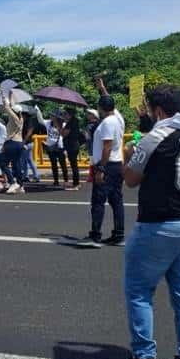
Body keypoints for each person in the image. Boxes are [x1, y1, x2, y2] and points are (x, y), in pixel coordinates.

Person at [109, 85, 180, 359]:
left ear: (159, 111)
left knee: (140, 291)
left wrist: (129, 153)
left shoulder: (157, 137)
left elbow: (130, 179)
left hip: (160, 224)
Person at [77, 84, 125, 248]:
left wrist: (101, 169)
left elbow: (107, 147)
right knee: (116, 201)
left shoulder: (107, 123)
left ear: (101, 108)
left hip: (107, 165)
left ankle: (95, 235)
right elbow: (108, 100)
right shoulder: (118, 118)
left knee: (98, 201)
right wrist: (103, 88)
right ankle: (118, 234)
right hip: (117, 164)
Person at [0, 96, 26, 194]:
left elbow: (7, 107)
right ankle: (21, 185)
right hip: (19, 143)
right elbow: (12, 107)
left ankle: (12, 182)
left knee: (3, 164)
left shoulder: (14, 118)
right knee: (16, 164)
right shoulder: (21, 118)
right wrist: (11, 95)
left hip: (12, 143)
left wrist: (4, 96)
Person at [35, 106, 67, 187]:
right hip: (50, 147)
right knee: (53, 165)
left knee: (63, 164)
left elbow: (65, 135)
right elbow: (41, 120)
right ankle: (56, 181)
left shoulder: (63, 124)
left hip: (60, 147)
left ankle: (66, 180)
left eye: (53, 116)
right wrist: (38, 111)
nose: (51, 117)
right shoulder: (48, 123)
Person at [60, 108, 81, 190]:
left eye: (65, 114)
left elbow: (63, 134)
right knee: (74, 165)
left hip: (71, 146)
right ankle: (76, 183)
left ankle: (76, 184)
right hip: (74, 145)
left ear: (69, 114)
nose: (64, 116)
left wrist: (59, 126)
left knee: (74, 165)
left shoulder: (71, 122)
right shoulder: (75, 121)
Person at [20, 113, 40, 183]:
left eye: (22, 115)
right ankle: (28, 176)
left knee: (26, 160)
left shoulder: (29, 122)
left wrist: (23, 141)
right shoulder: (27, 121)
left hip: (27, 143)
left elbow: (29, 132)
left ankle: (34, 175)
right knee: (27, 160)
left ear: (25, 115)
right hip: (29, 143)